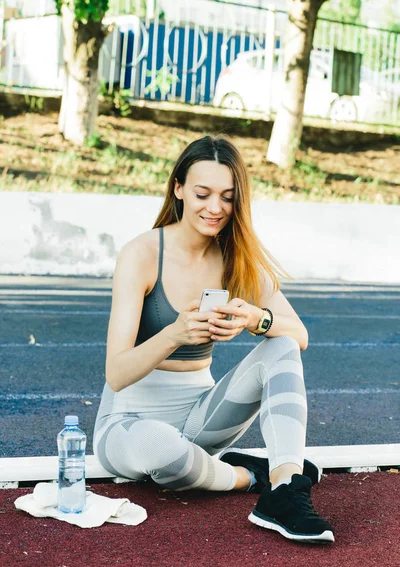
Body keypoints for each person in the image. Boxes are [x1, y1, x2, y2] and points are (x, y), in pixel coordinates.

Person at [93, 135, 335, 544]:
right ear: (179, 188)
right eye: (203, 193)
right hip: (128, 422)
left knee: (280, 345)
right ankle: (248, 476)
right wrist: (174, 333)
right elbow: (116, 373)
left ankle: (285, 487)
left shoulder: (235, 255)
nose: (215, 207)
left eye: (227, 197)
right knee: (159, 446)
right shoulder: (142, 253)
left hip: (201, 417)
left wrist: (257, 319)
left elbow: (299, 335)